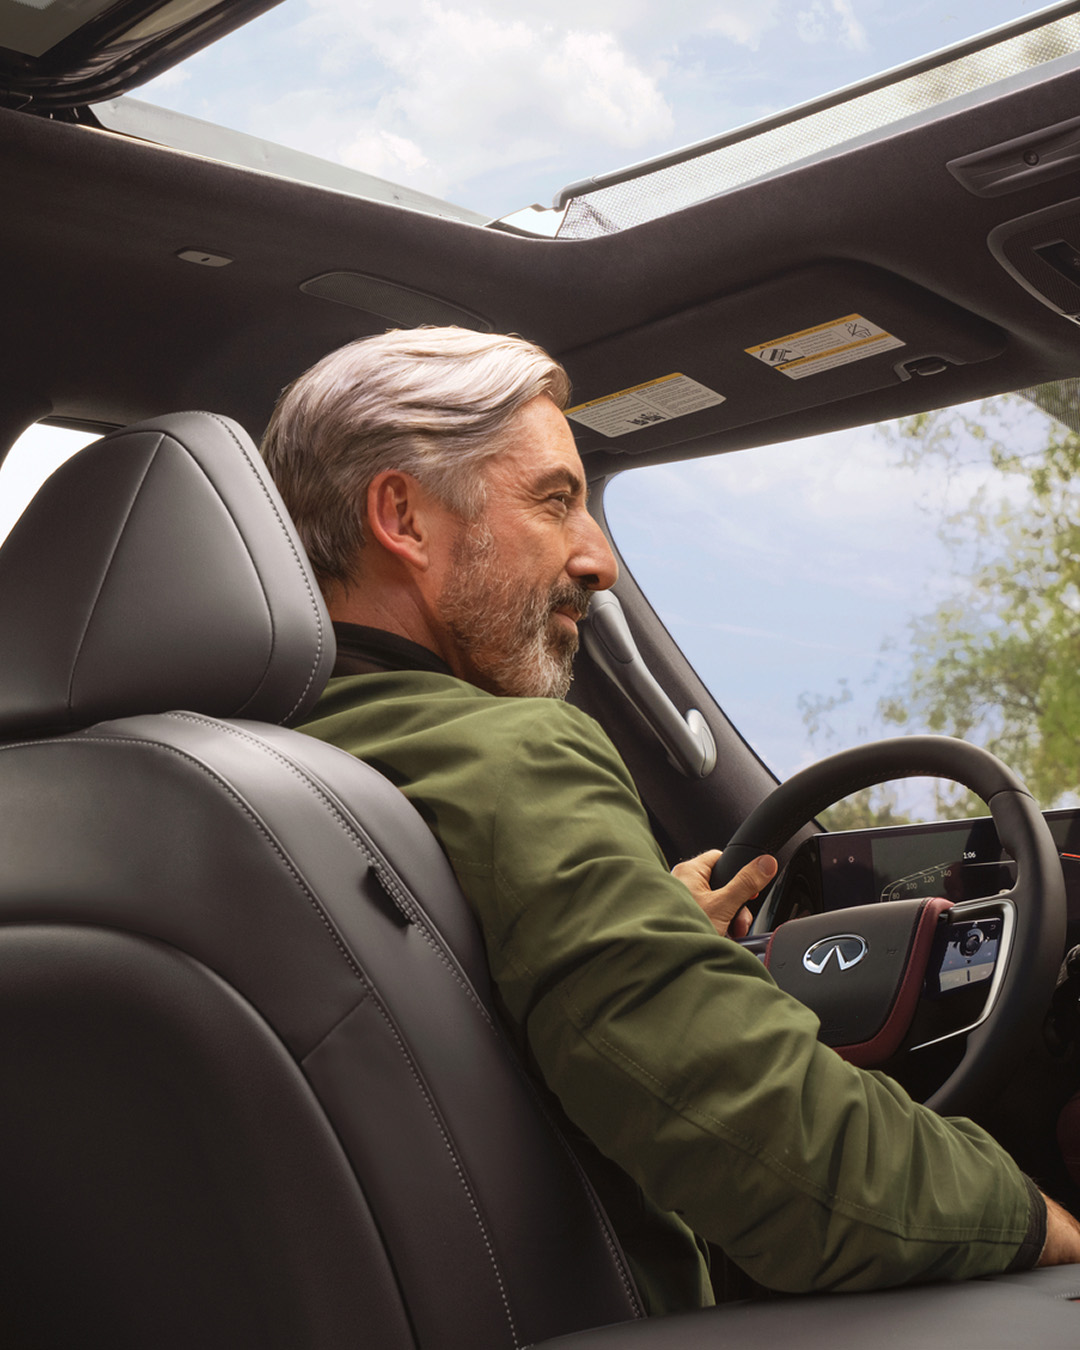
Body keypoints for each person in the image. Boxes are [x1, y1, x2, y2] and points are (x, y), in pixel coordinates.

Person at [261, 326, 1080, 1315]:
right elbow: (787, 1154)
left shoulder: (236, 769)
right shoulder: (505, 756)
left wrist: (646, 935)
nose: (597, 559)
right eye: (556, 500)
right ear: (404, 517)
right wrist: (1036, 1221)